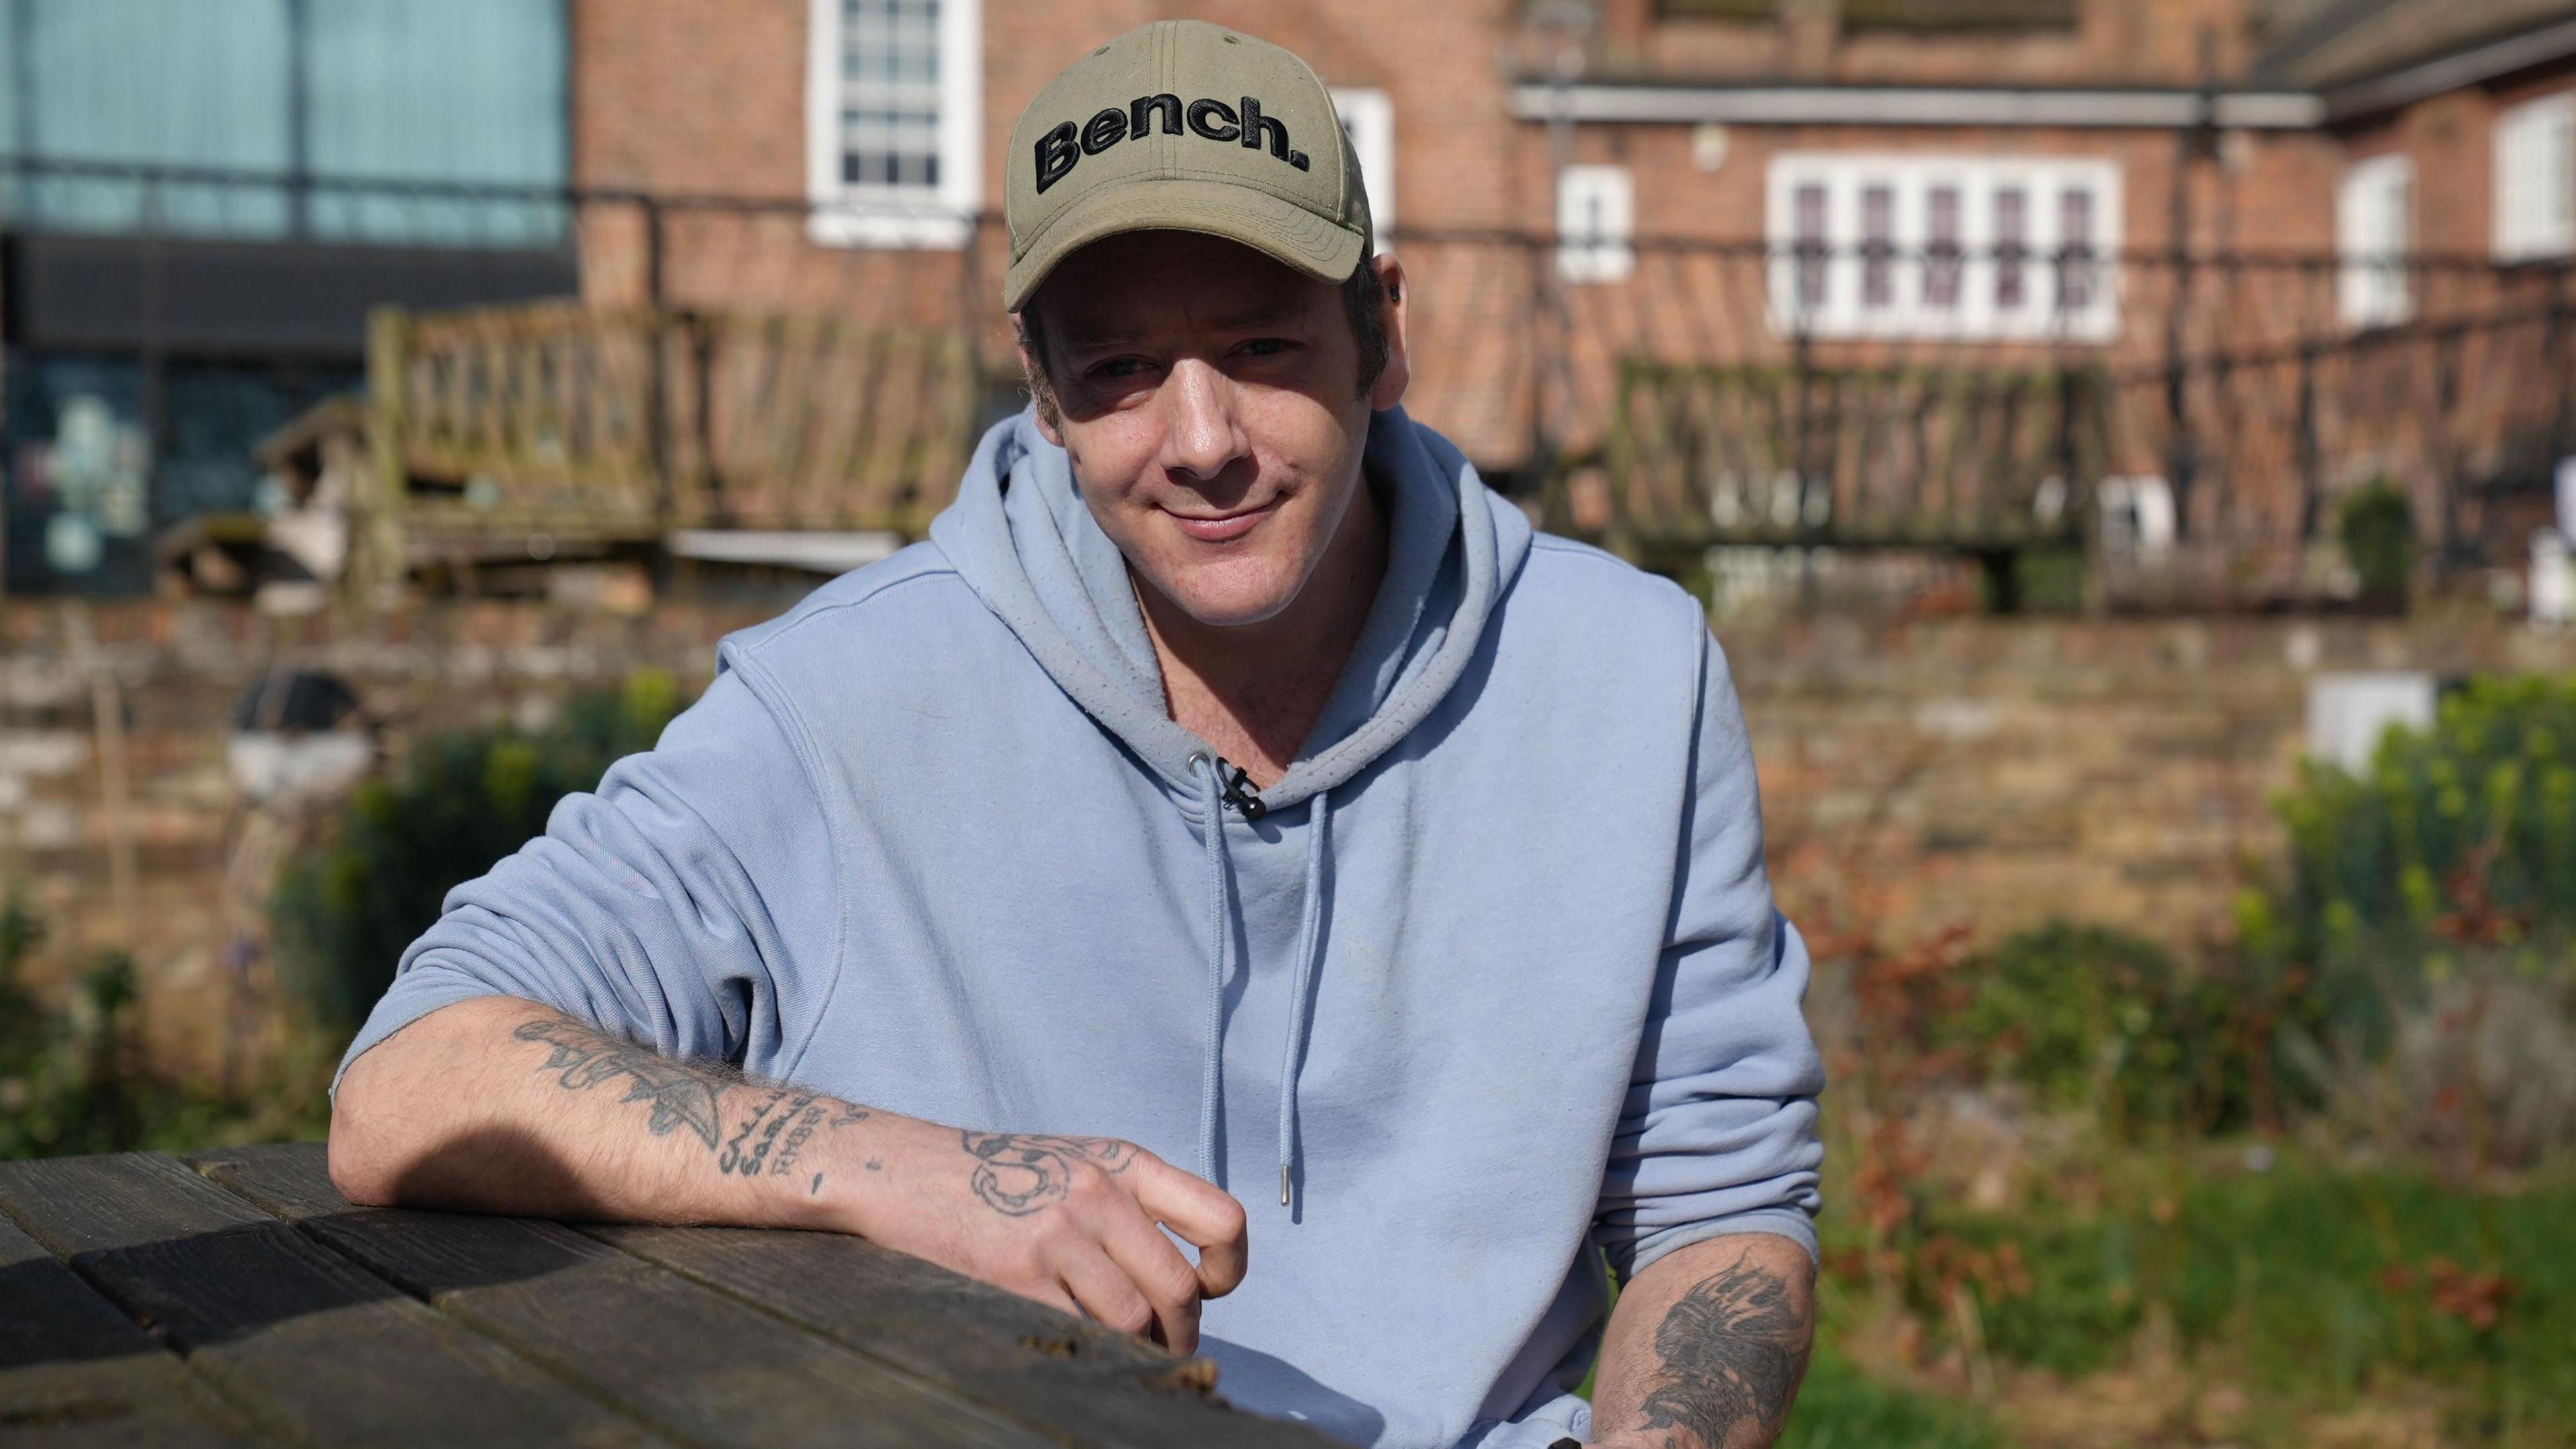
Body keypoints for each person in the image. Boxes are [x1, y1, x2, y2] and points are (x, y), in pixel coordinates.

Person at [327, 20, 1823, 1449]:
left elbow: (1721, 1202)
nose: (1201, 437)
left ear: (1384, 332)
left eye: (1260, 344)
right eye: (1116, 369)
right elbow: (411, 1082)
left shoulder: (1626, 675)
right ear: (1039, 387)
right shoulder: (845, 704)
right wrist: (918, 1179)